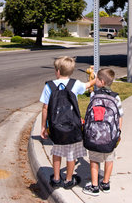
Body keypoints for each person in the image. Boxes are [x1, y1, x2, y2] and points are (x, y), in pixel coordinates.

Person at [40, 56, 96, 189]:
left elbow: (45, 108)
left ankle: (56, 179)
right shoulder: (75, 84)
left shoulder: (49, 86)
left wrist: (43, 126)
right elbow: (88, 85)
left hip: (55, 126)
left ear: (58, 71)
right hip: (73, 126)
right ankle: (69, 179)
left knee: (57, 151)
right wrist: (95, 77)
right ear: (70, 71)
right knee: (71, 154)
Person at [82, 68, 123, 196]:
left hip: (94, 135)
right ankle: (105, 184)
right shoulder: (116, 97)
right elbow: (120, 116)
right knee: (109, 159)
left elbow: (91, 114)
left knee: (94, 160)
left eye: (97, 80)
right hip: (110, 136)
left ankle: (94, 186)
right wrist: (118, 133)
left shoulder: (94, 95)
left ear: (101, 82)